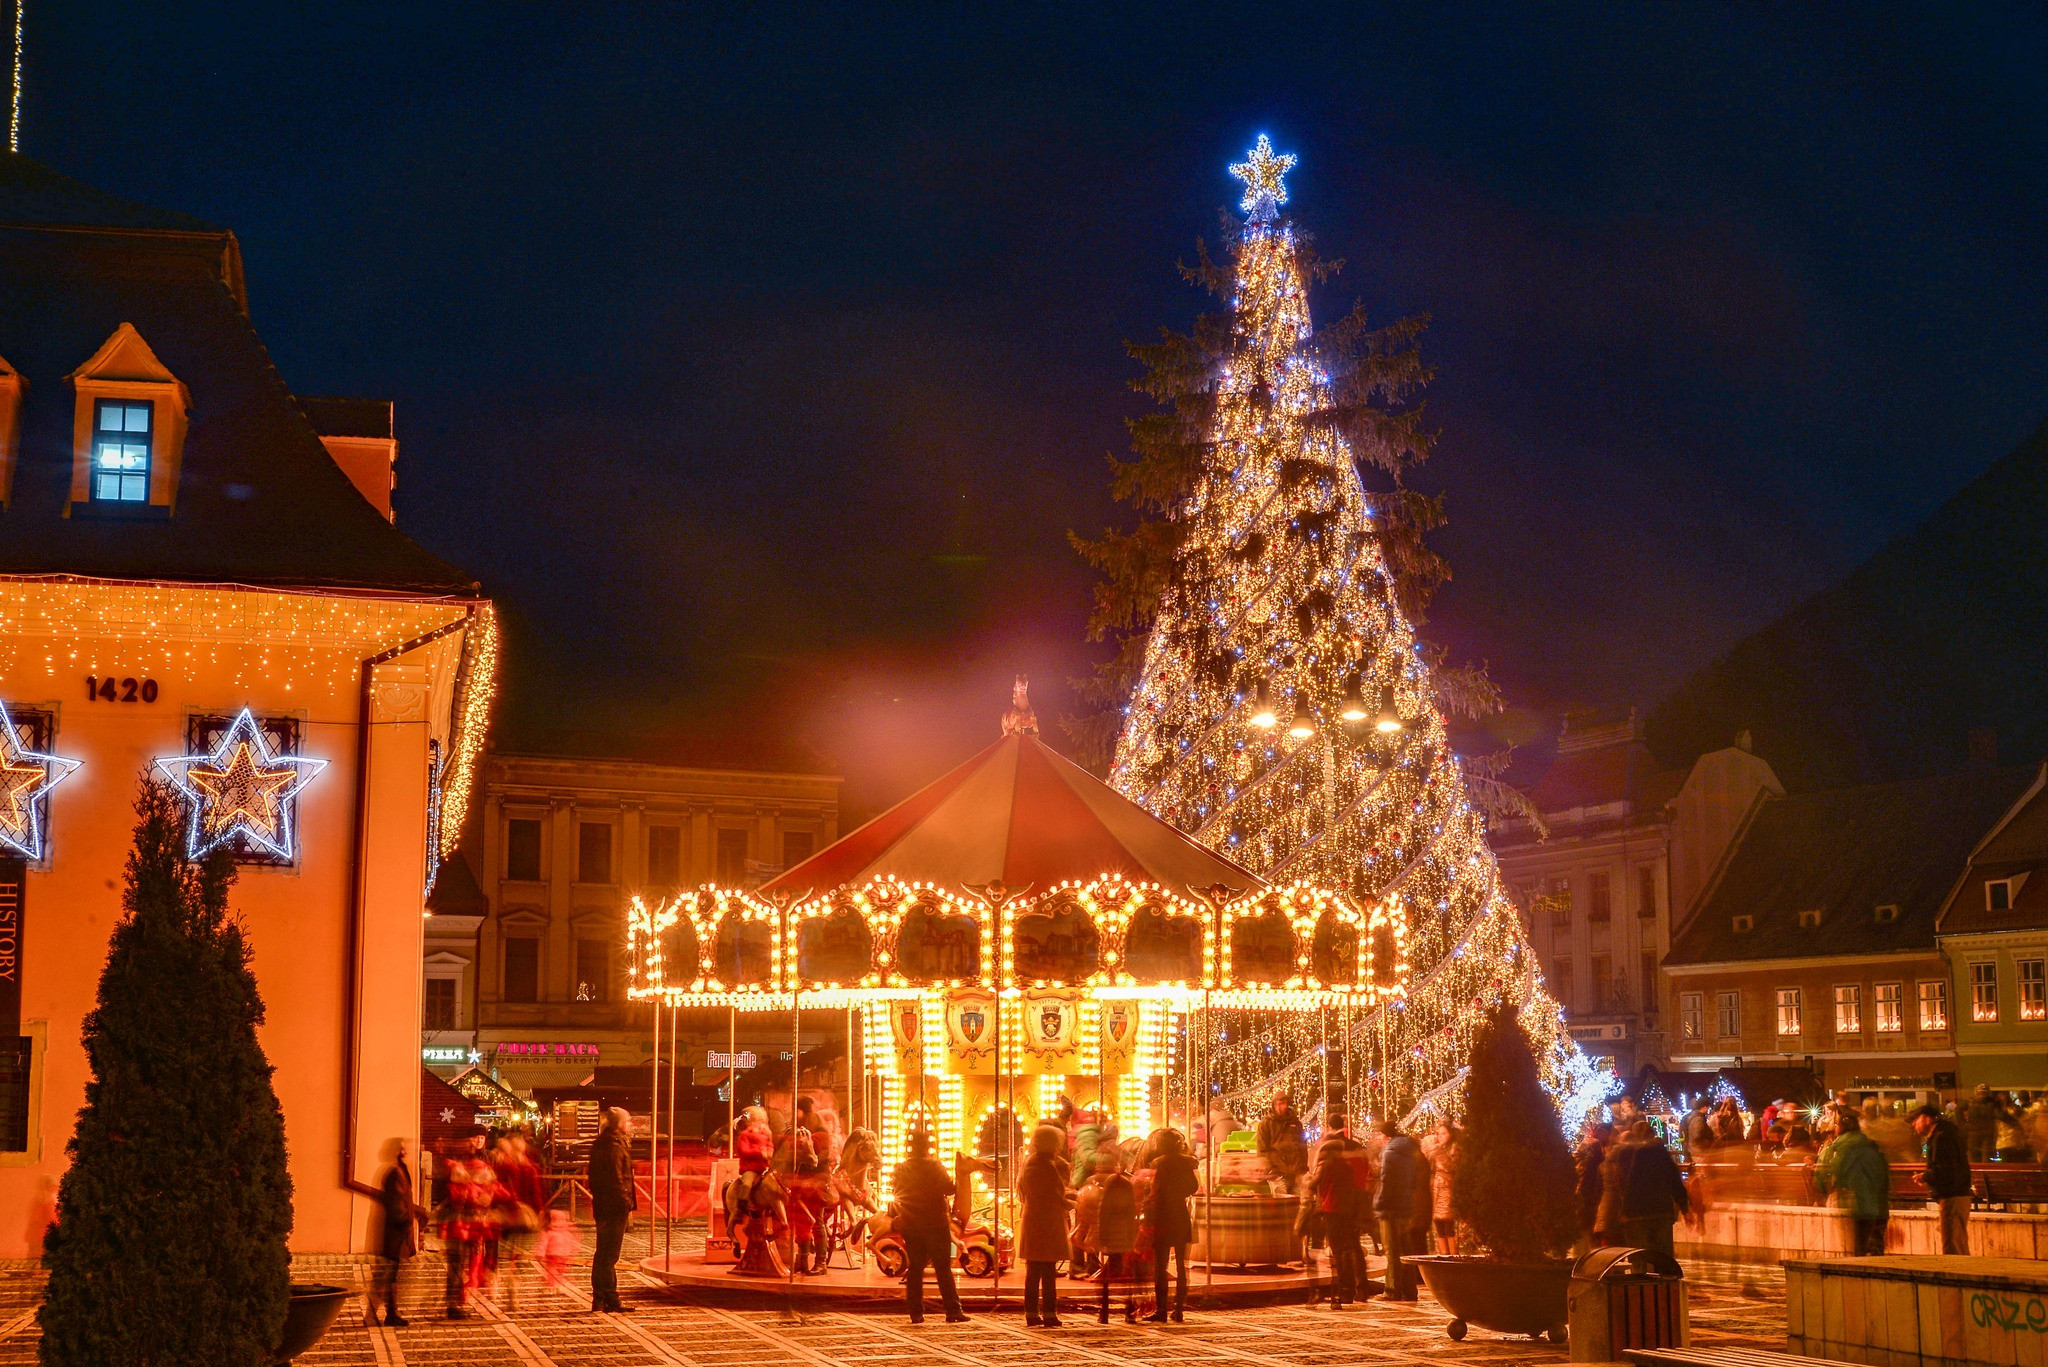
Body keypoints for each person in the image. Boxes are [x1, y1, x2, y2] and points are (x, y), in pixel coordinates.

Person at [893, 1131, 967, 1324]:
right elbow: (949, 1189)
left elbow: (897, 1191)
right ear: (928, 1147)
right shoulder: (935, 1167)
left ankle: (915, 1312)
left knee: (915, 1267)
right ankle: (953, 1310)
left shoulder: (902, 1168)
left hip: (912, 1223)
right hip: (935, 1222)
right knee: (943, 1267)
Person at [1303, 1114, 1368, 1306]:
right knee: (1351, 1246)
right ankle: (1358, 1288)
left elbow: (1314, 1183)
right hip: (1353, 1204)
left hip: (1332, 1208)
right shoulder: (1354, 1151)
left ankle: (1340, 1290)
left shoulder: (1327, 1160)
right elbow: (1365, 1173)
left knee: (1337, 1250)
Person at [1018, 1122, 1075, 1328]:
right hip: (1045, 1223)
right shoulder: (1045, 1166)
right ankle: (1049, 1313)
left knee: (1033, 1272)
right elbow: (1054, 1195)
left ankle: (1032, 1313)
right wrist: (1073, 1203)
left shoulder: (1031, 1163)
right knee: (1047, 1272)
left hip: (1035, 1223)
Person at [1816, 1108, 1890, 1256]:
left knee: (1847, 1250)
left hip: (1846, 1203)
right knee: (1863, 1246)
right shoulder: (1872, 1147)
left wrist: (1824, 1192)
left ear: (1839, 1128)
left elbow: (1821, 1175)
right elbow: (1883, 1178)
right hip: (1872, 1205)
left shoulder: (1832, 1149)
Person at [439, 1136, 496, 1319]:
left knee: (461, 1263)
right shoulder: (470, 1170)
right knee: (461, 1263)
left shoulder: (456, 1170)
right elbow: (481, 1196)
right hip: (465, 1223)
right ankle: (455, 1302)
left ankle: (456, 1300)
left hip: (461, 1222)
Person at [1145, 1128, 1199, 1322]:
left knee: (1160, 1265)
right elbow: (1192, 1187)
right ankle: (1179, 1309)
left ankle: (1161, 1309)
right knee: (1181, 1267)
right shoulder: (1185, 1163)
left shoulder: (1158, 1163)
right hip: (1179, 1214)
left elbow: (1153, 1191)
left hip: (1162, 1215)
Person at [587, 1107, 638, 1313]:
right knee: (608, 1256)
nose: (630, 1124)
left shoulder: (603, 1143)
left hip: (604, 1205)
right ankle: (605, 1298)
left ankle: (605, 1298)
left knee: (604, 1255)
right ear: (618, 1124)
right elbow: (617, 1179)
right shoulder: (614, 1146)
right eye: (628, 1121)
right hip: (614, 1207)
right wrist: (625, 1202)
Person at [1617, 1121, 1690, 1258]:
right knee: (1664, 1257)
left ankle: (1643, 1277)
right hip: (1662, 1210)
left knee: (1641, 1256)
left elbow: (1629, 1184)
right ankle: (1666, 1278)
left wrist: (1624, 1210)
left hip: (1639, 1213)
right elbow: (1673, 1179)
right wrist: (1683, 1203)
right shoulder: (1661, 1152)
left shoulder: (1632, 1154)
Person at [491, 1133, 544, 1310]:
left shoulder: (502, 1165)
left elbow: (495, 1189)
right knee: (518, 1256)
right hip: (522, 1216)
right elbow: (535, 1194)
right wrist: (539, 1213)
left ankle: (502, 1282)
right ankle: (512, 1284)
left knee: (504, 1253)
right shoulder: (527, 1167)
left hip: (506, 1215)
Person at [373, 1139, 422, 1328]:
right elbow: (396, 1204)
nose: (406, 1151)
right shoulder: (395, 1173)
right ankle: (387, 1313)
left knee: (389, 1274)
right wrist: (405, 1220)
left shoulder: (399, 1171)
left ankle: (387, 1313)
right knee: (388, 1274)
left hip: (399, 1232)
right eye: (403, 1148)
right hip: (396, 1232)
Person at [1912, 1103, 1973, 1254]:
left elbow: (1944, 1169)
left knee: (1951, 1246)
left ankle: (1955, 1276)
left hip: (1951, 1196)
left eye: (1916, 1120)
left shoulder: (1941, 1137)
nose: (1914, 1125)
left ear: (1927, 1120)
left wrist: (1924, 1176)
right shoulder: (1948, 1133)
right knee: (1959, 1244)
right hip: (1959, 1194)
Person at [1373, 1120, 1423, 1302]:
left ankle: (1392, 1290)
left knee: (1392, 1250)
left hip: (1391, 1208)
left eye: (1379, 1135)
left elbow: (1386, 1181)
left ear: (1386, 1136)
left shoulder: (1389, 1152)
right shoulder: (1410, 1150)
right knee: (1406, 1249)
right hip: (1406, 1205)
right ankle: (1410, 1291)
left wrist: (1379, 1203)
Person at [1090, 1149, 1140, 1324]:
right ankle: (1129, 1309)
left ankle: (1104, 1312)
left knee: (1107, 1277)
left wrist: (1101, 1236)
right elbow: (1133, 1213)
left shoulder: (1109, 1187)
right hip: (1125, 1237)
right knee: (1127, 1278)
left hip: (1111, 1237)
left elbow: (1103, 1213)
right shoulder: (1127, 1186)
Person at [1420, 1119, 1460, 1254]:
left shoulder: (1455, 1149)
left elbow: (1452, 1166)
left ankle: (1452, 1256)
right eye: (1438, 1134)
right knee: (1438, 1223)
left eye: (1443, 1133)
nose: (1439, 1137)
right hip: (1436, 1188)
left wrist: (1438, 1153)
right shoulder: (1436, 1150)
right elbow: (1430, 1167)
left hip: (1448, 1187)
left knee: (1448, 1223)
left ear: (1450, 1134)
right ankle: (1444, 1255)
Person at [1257, 1093, 1308, 1195]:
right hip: (1278, 1174)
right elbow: (1262, 1150)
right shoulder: (1266, 1124)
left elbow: (1302, 1146)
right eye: (1281, 1103)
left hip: (1296, 1174)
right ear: (1274, 1105)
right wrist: (1271, 1171)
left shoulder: (1296, 1123)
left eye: (1286, 1103)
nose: (1284, 1106)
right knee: (1282, 1204)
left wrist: (1303, 1169)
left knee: (1298, 1204)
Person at [1573, 1121, 1611, 1254]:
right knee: (1588, 1238)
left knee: (1582, 1238)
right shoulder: (1597, 1166)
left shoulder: (1577, 1165)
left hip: (1582, 1205)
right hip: (1590, 1206)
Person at [1964, 1084, 2001, 1163]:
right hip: (1986, 1133)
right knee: (1985, 1157)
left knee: (1974, 1157)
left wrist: (1963, 1125)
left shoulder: (1969, 1102)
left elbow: (1958, 1111)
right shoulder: (1992, 1103)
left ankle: (1974, 1174)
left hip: (1974, 1132)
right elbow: (2000, 1115)